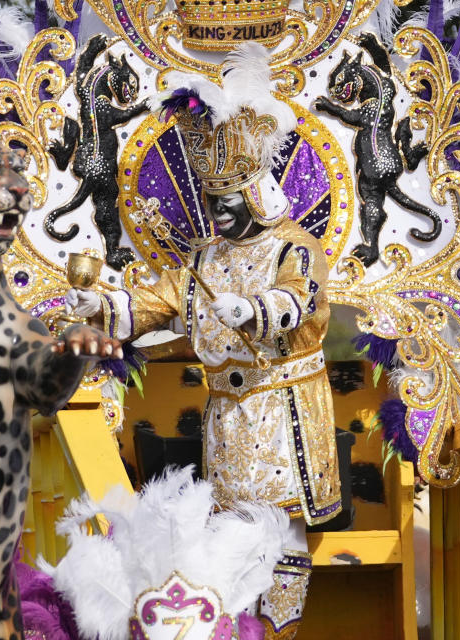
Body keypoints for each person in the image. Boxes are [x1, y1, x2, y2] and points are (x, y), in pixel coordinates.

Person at [66, 42, 341, 638]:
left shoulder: (295, 246)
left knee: (283, 534)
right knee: (225, 544)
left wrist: (258, 308)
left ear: (258, 194)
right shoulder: (204, 258)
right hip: (225, 418)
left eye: (227, 203)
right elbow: (155, 302)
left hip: (283, 410)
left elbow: (306, 301)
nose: (217, 216)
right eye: (211, 203)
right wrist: (104, 306)